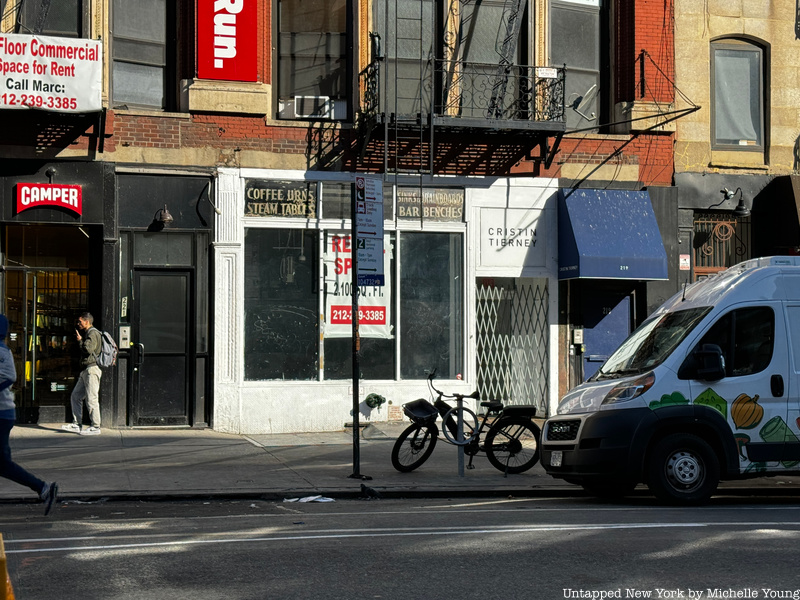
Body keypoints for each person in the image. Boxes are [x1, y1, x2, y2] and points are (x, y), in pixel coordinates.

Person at [0, 314, 59, 515]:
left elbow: (9, 376)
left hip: (1, 414)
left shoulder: (2, 351)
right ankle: (43, 488)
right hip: (4, 414)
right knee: (3, 464)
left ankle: (43, 488)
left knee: (3, 463)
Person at [62, 312, 102, 436]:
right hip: (86, 370)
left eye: (80, 321)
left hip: (92, 370)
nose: (78, 324)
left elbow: (88, 349)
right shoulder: (90, 333)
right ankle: (76, 424)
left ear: (87, 321)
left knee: (92, 399)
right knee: (76, 396)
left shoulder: (92, 333)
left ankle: (95, 426)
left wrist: (80, 341)